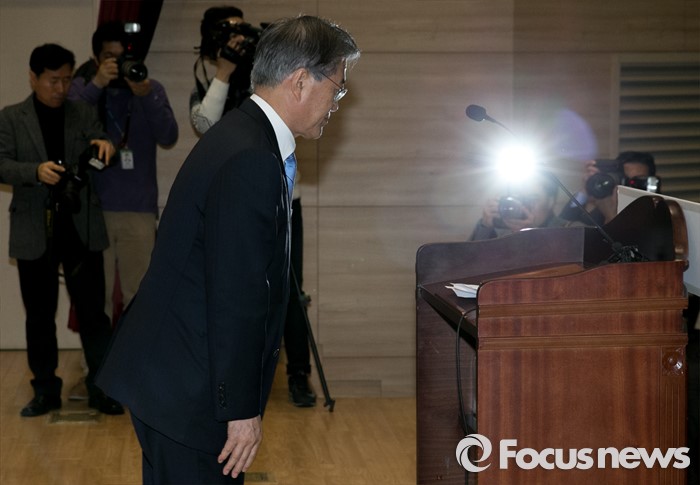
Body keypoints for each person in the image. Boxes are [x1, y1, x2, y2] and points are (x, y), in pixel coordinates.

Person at [96, 15, 360, 483]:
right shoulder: (251, 157)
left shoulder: (244, 135)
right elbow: (236, 295)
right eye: (336, 89)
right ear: (300, 81)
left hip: (174, 375)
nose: (337, 104)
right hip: (188, 390)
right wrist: (238, 409)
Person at [191, 5, 316, 407]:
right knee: (237, 286)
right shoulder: (210, 77)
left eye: (238, 29)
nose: (235, 38)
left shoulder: (266, 69)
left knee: (289, 290)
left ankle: (299, 375)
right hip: (232, 202)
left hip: (283, 198)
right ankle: (233, 375)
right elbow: (204, 126)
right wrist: (224, 73)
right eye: (224, 31)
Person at [0, 43, 124, 416]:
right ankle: (45, 391)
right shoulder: (12, 117)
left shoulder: (82, 111)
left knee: (94, 315)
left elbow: (102, 143)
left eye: (67, 80)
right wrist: (34, 171)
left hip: (80, 225)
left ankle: (101, 389)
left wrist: (104, 145)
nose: (61, 88)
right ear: (33, 78)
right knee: (39, 316)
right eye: (53, 80)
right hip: (33, 228)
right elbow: (1, 164)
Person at [69, 21, 179, 323]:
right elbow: (69, 126)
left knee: (139, 296)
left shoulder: (150, 88)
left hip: (138, 208)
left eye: (123, 58)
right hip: (93, 210)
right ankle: (98, 355)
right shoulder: (83, 89)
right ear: (95, 59)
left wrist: (145, 94)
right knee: (96, 297)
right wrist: (97, 85)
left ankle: (137, 355)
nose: (117, 65)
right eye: (109, 57)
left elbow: (169, 136)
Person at [560, 151, 657, 226]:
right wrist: (586, 191)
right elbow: (563, 229)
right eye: (625, 179)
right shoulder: (600, 212)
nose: (630, 185)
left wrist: (610, 216)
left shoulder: (659, 216)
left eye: (638, 181)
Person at [470, 173, 569, 241]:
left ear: (550, 202)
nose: (524, 206)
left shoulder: (569, 231)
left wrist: (531, 236)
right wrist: (485, 228)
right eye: (519, 199)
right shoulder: (500, 231)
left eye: (532, 200)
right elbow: (470, 261)